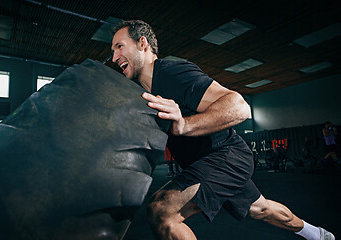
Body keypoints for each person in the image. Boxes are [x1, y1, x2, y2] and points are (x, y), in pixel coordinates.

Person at [111, 20, 335, 240]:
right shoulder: (142, 93)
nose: (114, 57)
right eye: (112, 50)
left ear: (143, 44)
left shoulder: (171, 73)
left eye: (120, 46)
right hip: (205, 164)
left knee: (162, 210)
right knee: (261, 209)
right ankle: (318, 234)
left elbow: (239, 107)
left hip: (226, 157)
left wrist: (185, 124)